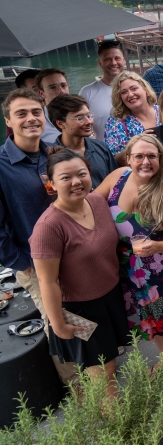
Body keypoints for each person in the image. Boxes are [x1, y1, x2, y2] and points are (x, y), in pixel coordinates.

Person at [94, 134, 163, 381]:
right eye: (139, 156)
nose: (145, 161)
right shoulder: (117, 178)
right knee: (150, 317)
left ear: (161, 159)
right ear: (128, 158)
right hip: (128, 268)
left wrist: (156, 247)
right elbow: (90, 204)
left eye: (152, 156)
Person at [30, 148, 128, 397]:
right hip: (81, 309)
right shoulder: (49, 226)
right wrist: (58, 324)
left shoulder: (96, 201)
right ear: (51, 183)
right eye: (65, 177)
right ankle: (115, 426)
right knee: (101, 372)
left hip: (109, 296)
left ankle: (114, 416)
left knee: (111, 365)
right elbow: (47, 281)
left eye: (81, 174)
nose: (76, 182)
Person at [0, 89, 78, 385]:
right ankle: (83, 394)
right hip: (36, 264)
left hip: (74, 254)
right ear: (8, 120)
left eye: (36, 112)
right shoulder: (1, 166)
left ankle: (98, 373)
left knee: (79, 317)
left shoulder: (54, 154)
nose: (31, 119)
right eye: (21, 113)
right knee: (57, 325)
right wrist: (23, 264)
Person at [48, 94, 117, 189]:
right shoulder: (51, 156)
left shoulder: (101, 148)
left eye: (89, 115)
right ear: (60, 123)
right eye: (80, 118)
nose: (89, 121)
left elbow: (117, 182)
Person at [104, 71, 159, 165]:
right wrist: (136, 144)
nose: (130, 94)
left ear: (145, 90)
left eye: (134, 89)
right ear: (120, 98)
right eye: (124, 92)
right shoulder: (115, 123)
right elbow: (114, 161)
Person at [80, 40, 125, 141]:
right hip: (103, 152)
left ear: (123, 60)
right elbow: (80, 124)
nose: (113, 63)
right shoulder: (87, 92)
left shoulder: (135, 89)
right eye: (108, 59)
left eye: (117, 58)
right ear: (100, 63)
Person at [35, 68, 71, 143]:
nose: (61, 91)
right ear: (41, 93)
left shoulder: (84, 115)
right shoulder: (36, 123)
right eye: (53, 87)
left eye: (63, 85)